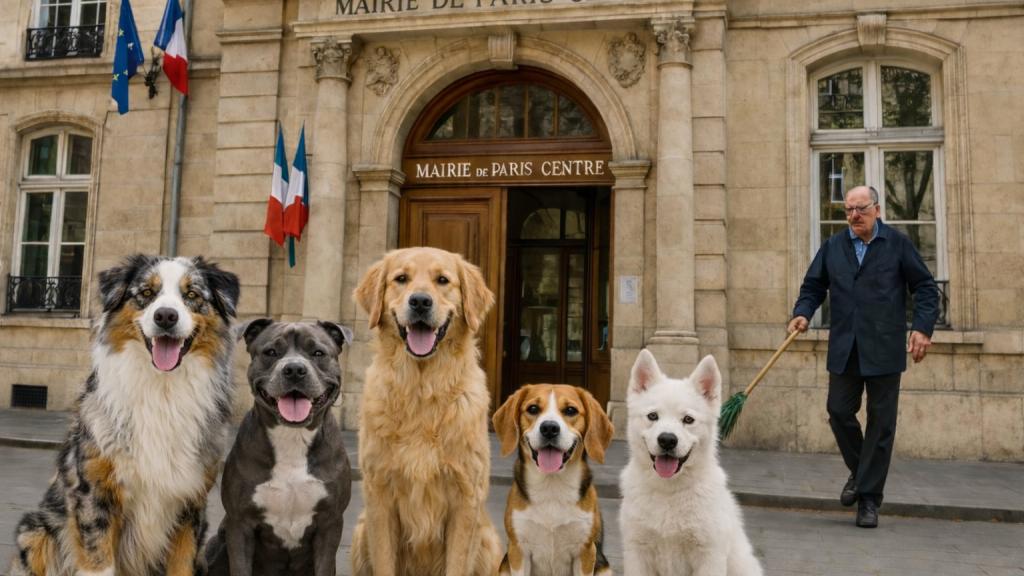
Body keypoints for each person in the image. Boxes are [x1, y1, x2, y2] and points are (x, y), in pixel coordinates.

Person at [788, 185, 938, 528]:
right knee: (838, 411)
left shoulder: (897, 244)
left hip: (884, 348)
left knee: (881, 425)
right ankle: (862, 473)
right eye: (848, 210)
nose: (854, 216)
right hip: (845, 347)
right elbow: (813, 286)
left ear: (877, 209)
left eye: (861, 209)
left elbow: (926, 288)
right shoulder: (834, 246)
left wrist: (923, 328)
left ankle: (869, 500)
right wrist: (803, 312)